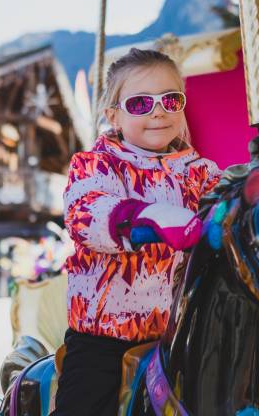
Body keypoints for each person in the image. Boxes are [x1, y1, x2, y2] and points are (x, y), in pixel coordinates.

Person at [53, 48, 221, 416]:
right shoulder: (97, 165)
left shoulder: (201, 172)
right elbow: (87, 213)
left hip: (179, 333)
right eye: (141, 103)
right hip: (105, 336)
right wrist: (145, 219)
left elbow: (230, 205)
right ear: (114, 115)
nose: (158, 111)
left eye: (170, 100)